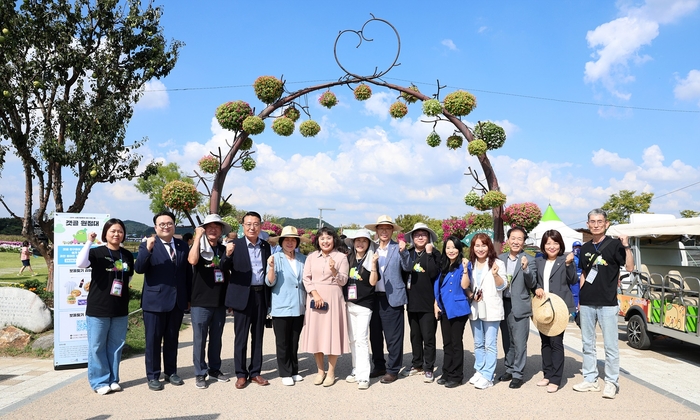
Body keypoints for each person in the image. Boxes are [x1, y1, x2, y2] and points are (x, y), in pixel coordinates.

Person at [573, 209, 633, 399]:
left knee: (610, 346)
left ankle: (611, 382)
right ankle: (590, 379)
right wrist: (580, 301)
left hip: (608, 302)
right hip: (588, 302)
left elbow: (630, 267)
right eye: (593, 221)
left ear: (606, 224)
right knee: (587, 344)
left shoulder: (615, 245)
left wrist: (627, 246)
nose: (596, 224)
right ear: (588, 223)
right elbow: (583, 274)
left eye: (600, 221)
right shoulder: (584, 248)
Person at [134, 211, 192, 391]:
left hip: (177, 301)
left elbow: (187, 274)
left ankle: (171, 372)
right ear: (155, 227)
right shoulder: (148, 245)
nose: (166, 226)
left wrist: (188, 298)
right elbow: (139, 268)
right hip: (154, 301)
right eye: (162, 224)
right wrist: (148, 250)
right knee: (153, 340)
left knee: (172, 339)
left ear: (174, 225)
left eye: (169, 223)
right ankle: (152, 375)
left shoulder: (182, 246)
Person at [76, 219, 134, 395]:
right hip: (98, 307)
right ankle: (99, 382)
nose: (117, 234)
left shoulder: (127, 255)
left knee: (116, 345)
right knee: (97, 346)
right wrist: (89, 242)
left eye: (120, 231)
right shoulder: (97, 252)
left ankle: (113, 379)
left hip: (119, 307)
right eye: (113, 231)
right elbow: (81, 263)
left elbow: (129, 277)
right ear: (106, 233)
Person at [223, 211, 272, 389]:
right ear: (242, 226)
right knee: (241, 337)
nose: (252, 227)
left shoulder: (266, 246)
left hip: (260, 295)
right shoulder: (234, 245)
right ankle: (241, 374)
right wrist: (227, 255)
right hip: (242, 296)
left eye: (256, 224)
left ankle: (256, 372)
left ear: (260, 226)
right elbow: (222, 268)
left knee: (258, 336)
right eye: (248, 224)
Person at [299, 227, 350, 387]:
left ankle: (332, 371)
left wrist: (334, 269)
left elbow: (343, 281)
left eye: (328, 238)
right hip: (315, 299)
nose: (325, 241)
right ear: (317, 241)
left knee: (332, 334)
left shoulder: (341, 257)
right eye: (322, 238)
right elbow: (306, 278)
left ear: (334, 240)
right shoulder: (312, 256)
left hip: (334, 298)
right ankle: (320, 371)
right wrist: (315, 294)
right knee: (317, 334)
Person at [188, 214, 231, 389]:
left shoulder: (223, 249)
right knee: (199, 339)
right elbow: (192, 260)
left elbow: (228, 273)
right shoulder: (198, 247)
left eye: (217, 227)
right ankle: (200, 372)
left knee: (216, 338)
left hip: (219, 302)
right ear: (204, 229)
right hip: (200, 302)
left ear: (221, 230)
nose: (213, 229)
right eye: (209, 227)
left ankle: (214, 369)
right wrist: (197, 237)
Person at [365, 215, 409, 384]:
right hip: (372, 298)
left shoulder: (398, 248)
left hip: (392, 298)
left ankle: (393, 369)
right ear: (376, 231)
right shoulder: (371, 249)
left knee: (393, 337)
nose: (384, 231)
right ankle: (379, 365)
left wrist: (404, 252)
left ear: (392, 231)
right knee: (375, 335)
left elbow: (408, 267)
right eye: (381, 228)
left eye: (387, 228)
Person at [534, 229, 577, 393]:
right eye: (548, 243)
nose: (552, 246)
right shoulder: (539, 261)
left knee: (556, 342)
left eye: (555, 242)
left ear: (560, 244)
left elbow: (572, 279)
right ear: (543, 245)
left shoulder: (565, 259)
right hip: (543, 307)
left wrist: (568, 264)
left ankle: (556, 379)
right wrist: (537, 287)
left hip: (559, 308)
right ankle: (547, 373)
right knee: (545, 342)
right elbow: (535, 281)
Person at [496, 226, 538, 389]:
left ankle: (518, 374)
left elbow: (533, 283)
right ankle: (509, 368)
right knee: (507, 340)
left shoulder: (529, 259)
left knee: (520, 342)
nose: (516, 241)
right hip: (504, 304)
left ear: (524, 242)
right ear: (508, 240)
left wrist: (526, 268)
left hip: (520, 305)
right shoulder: (500, 259)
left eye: (519, 239)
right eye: (513, 238)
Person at [265, 226, 307, 387]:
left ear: (297, 242)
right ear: (281, 242)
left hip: (299, 306)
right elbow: (269, 282)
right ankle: (285, 372)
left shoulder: (303, 259)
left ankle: (294, 370)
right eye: (287, 240)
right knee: (282, 342)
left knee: (294, 341)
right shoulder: (275, 257)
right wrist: (271, 268)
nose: (290, 243)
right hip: (281, 306)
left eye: (293, 240)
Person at [400, 222, 441, 383]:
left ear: (429, 237)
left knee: (428, 336)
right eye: (417, 234)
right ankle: (417, 364)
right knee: (415, 335)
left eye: (424, 234)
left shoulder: (435, 254)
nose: (420, 237)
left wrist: (429, 254)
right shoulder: (408, 253)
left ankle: (429, 367)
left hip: (429, 302)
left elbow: (433, 273)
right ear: (412, 237)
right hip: (412, 301)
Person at [467, 233, 507, 390]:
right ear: (473, 248)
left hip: (491, 308)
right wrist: (472, 295)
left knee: (490, 344)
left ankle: (488, 375)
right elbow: (468, 287)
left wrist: (496, 274)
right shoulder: (470, 264)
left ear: (488, 246)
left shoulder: (497, 263)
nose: (480, 248)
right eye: (477, 245)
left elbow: (502, 286)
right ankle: (480, 369)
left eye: (483, 245)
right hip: (476, 307)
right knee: (478, 342)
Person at [343, 228, 378, 390]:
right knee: (352, 339)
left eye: (364, 240)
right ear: (353, 242)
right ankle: (356, 368)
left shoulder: (372, 258)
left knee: (362, 339)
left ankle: (364, 376)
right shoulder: (348, 258)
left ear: (369, 243)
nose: (360, 243)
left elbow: (372, 283)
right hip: (349, 303)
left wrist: (374, 266)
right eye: (358, 240)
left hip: (365, 304)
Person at [433, 235, 470, 388]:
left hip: (458, 309)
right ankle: (446, 372)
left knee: (456, 343)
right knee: (446, 343)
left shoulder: (463, 265)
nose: (451, 250)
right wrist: (436, 303)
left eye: (454, 247)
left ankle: (457, 376)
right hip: (444, 308)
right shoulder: (442, 264)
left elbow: (464, 285)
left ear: (459, 249)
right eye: (448, 247)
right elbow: (438, 287)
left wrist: (466, 270)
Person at [571, 240, 582, 318]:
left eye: (579, 247)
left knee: (581, 294)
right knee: (574, 294)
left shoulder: (582, 256)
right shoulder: (571, 256)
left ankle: (580, 309)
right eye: (576, 247)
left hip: (581, 278)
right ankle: (574, 311)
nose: (577, 249)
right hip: (573, 279)